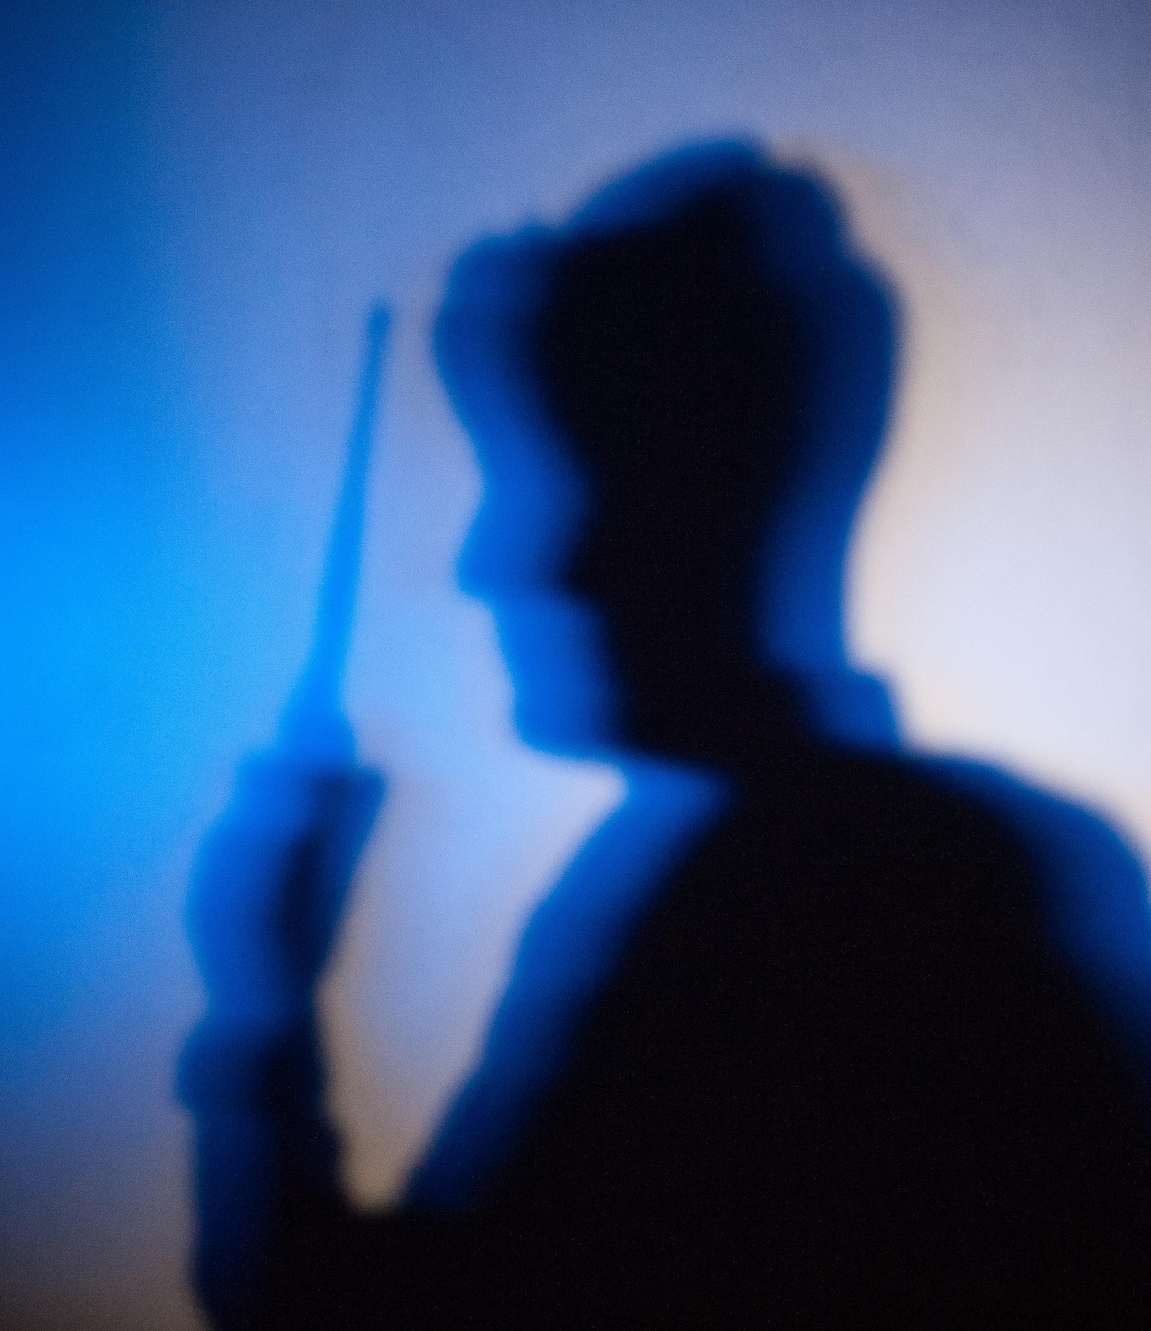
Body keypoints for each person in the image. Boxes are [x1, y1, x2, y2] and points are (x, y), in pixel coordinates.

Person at [180, 141, 1151, 1327]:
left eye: (555, 482)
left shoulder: (767, 908)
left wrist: (269, 999)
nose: (494, 563)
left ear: (692, 499)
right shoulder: (991, 862)